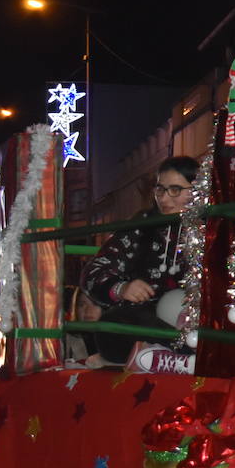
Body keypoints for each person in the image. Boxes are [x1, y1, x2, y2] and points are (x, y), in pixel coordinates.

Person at [81, 155, 200, 374]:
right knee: (113, 325)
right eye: (160, 189)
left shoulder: (213, 229)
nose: (164, 198)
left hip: (193, 322)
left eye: (175, 190)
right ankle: (169, 357)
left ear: (199, 191)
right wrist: (121, 288)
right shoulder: (142, 226)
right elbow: (94, 271)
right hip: (145, 321)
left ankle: (166, 356)